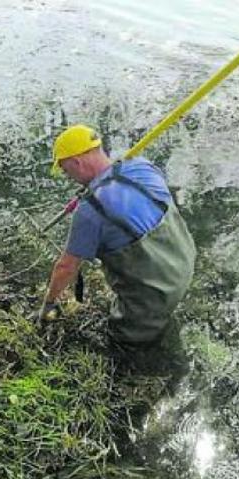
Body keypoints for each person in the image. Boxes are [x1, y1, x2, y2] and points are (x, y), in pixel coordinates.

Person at [40, 124, 196, 359]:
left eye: (65, 170)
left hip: (155, 293)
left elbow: (66, 267)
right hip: (185, 262)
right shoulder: (141, 166)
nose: (68, 177)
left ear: (77, 163)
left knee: (122, 341)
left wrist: (49, 303)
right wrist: (99, 186)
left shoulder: (90, 211)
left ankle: (158, 367)